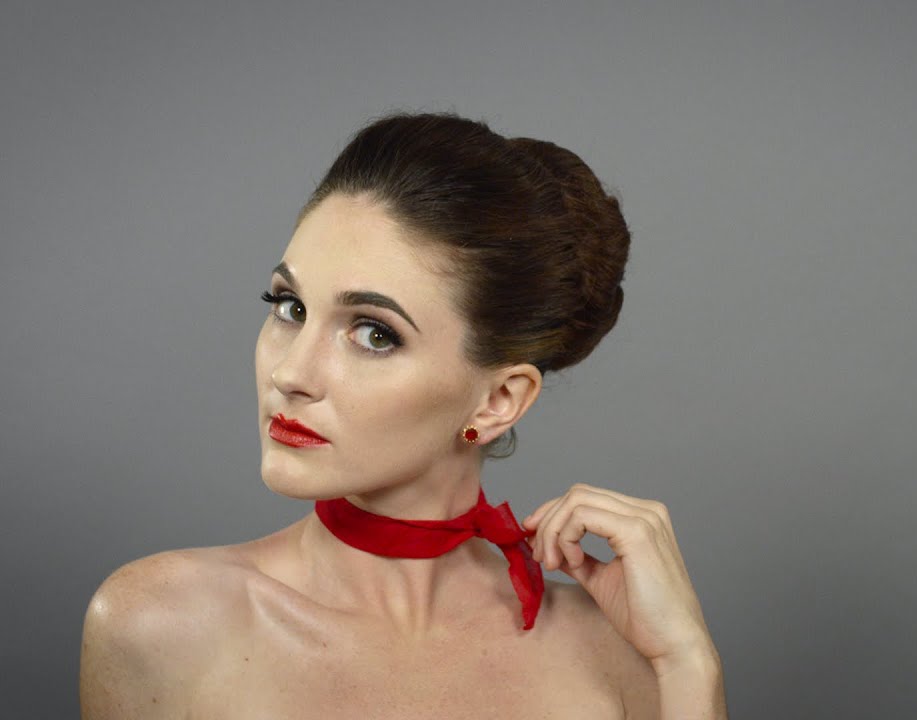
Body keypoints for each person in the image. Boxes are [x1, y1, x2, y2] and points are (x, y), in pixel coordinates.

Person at [79, 111, 727, 719]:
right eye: (290, 308)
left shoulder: (619, 657)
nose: (290, 374)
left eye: (374, 333)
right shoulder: (159, 625)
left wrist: (688, 663)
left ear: (498, 401)